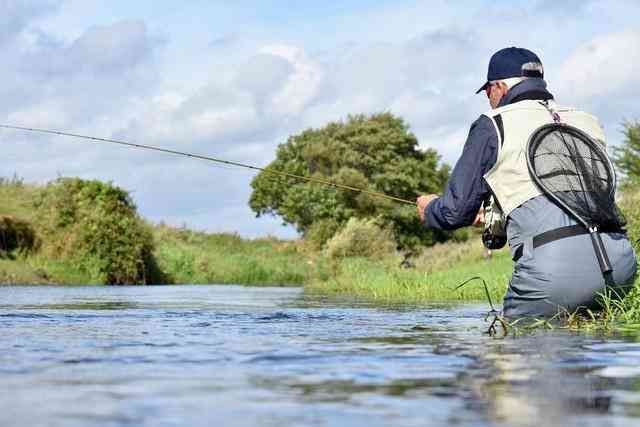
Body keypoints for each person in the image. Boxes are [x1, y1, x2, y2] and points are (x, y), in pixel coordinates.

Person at [417, 47, 637, 319]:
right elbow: (562, 198)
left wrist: (429, 209)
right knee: (589, 351)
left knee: (506, 352)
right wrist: (493, 217)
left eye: (487, 91)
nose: (488, 99)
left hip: (552, 275)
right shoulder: (587, 120)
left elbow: (453, 213)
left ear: (498, 87)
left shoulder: (493, 124)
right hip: (621, 266)